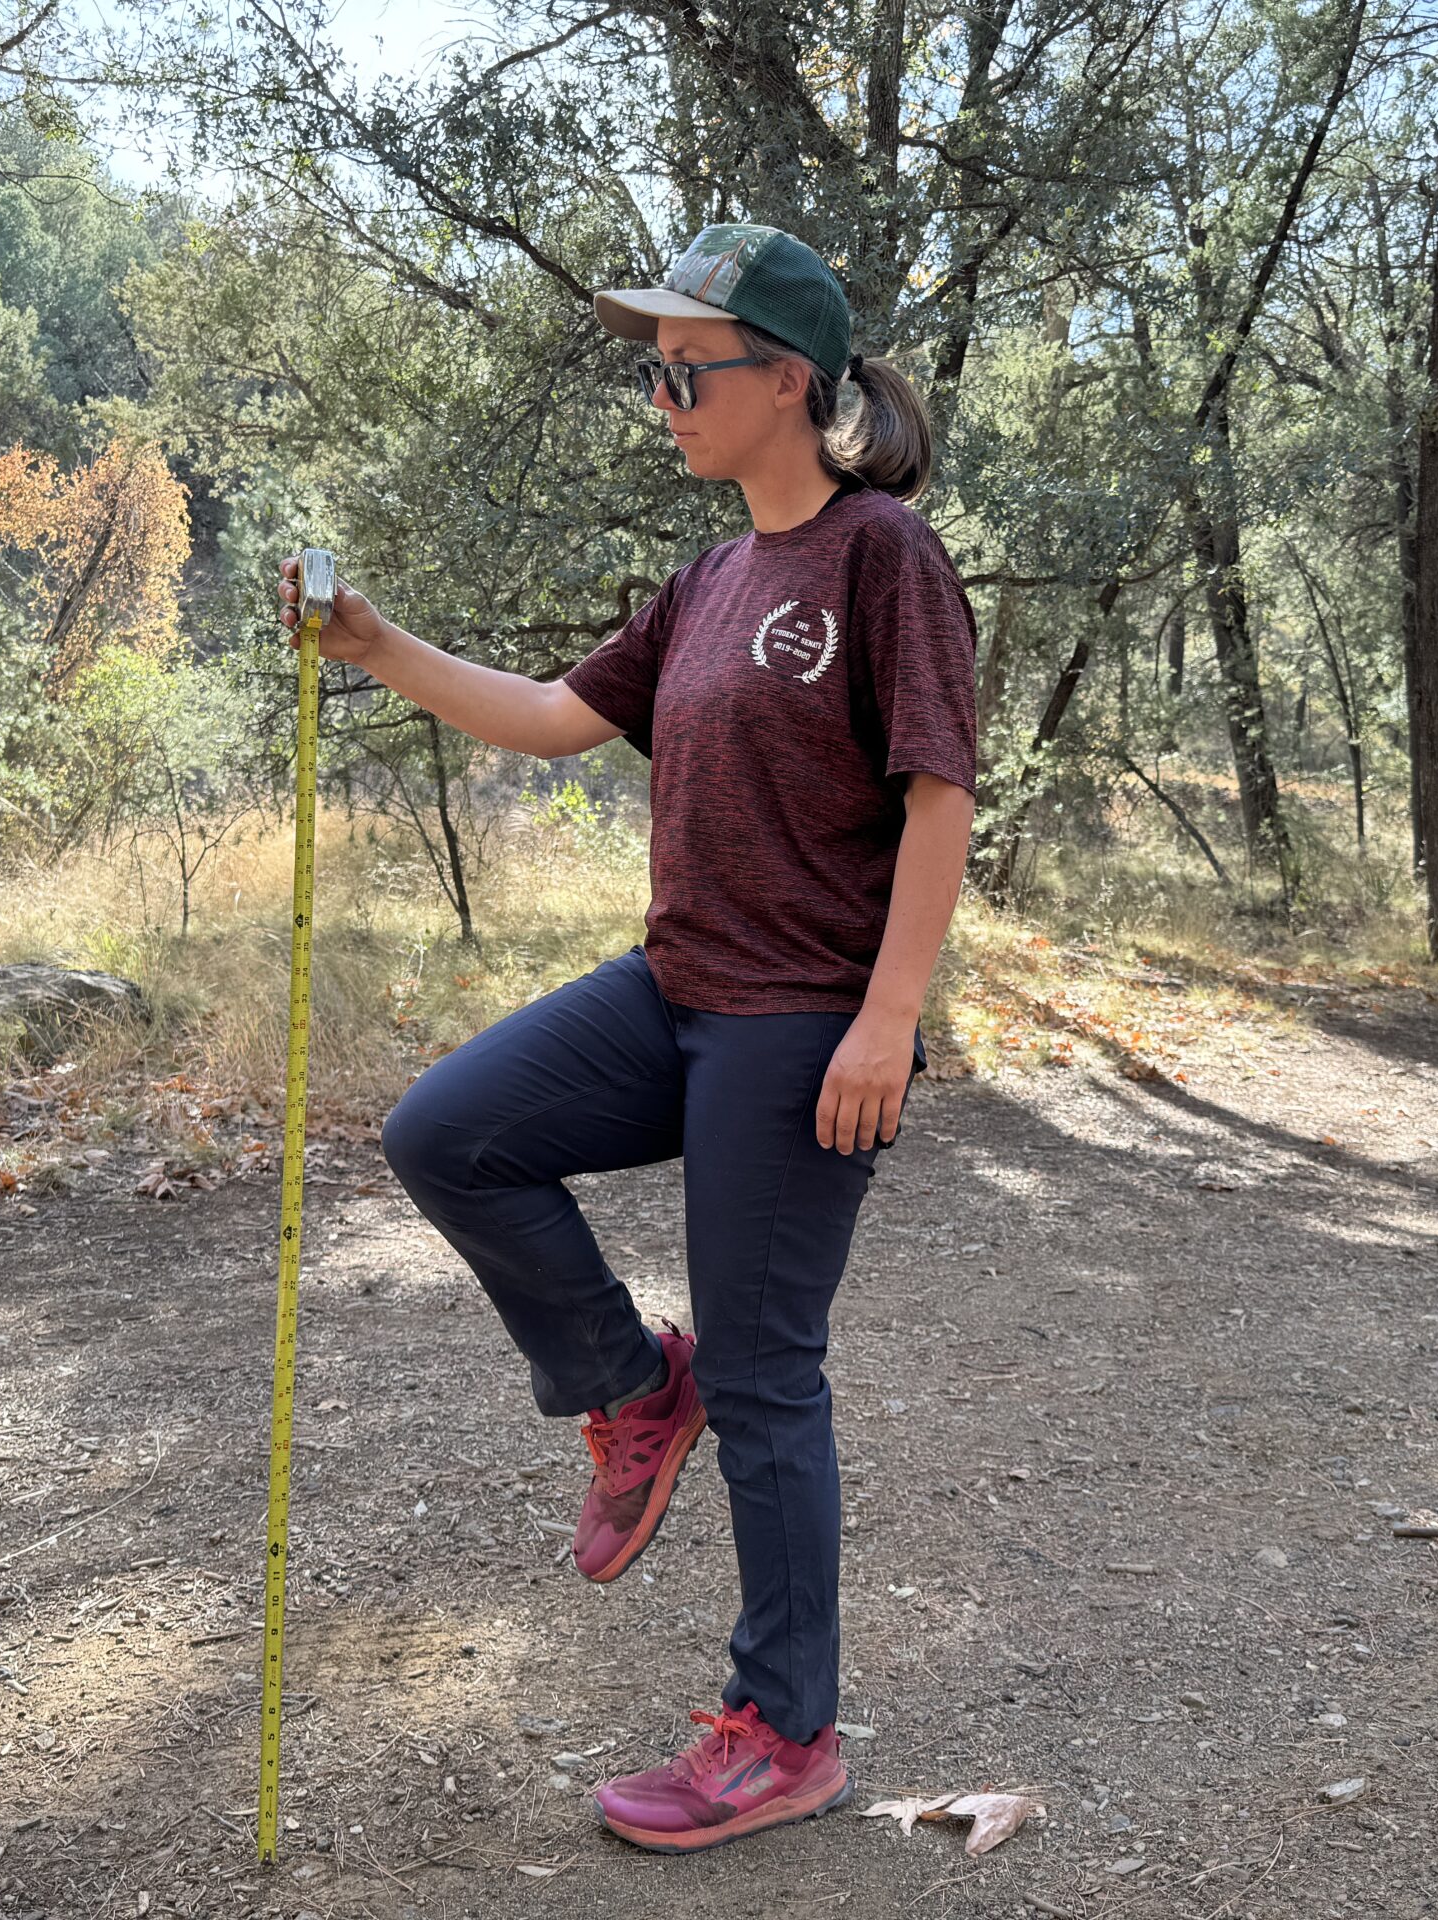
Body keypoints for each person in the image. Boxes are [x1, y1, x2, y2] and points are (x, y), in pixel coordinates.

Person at [278, 221, 977, 1854]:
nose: (661, 393)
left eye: (688, 366)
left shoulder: (883, 557)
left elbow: (940, 789)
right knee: (446, 1131)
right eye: (651, 367)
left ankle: (787, 1732)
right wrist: (372, 643)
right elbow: (546, 718)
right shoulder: (709, 581)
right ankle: (622, 1384)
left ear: (787, 381)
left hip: (802, 1019)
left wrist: (888, 1018)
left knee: (768, 1369)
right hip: (676, 991)